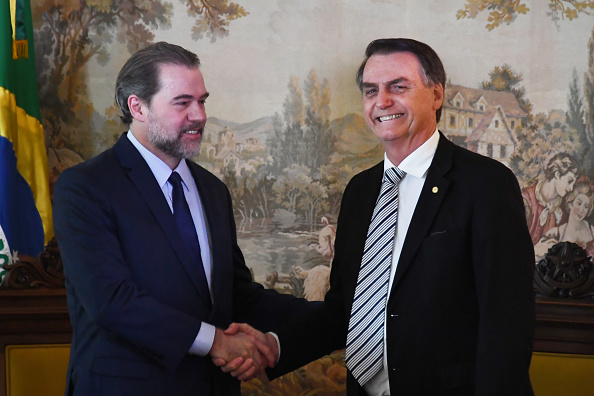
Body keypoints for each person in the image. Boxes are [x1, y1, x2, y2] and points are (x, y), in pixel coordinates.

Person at [223, 38, 536, 395]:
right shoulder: (360, 190)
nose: (382, 102)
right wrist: (275, 346)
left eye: (398, 87)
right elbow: (346, 311)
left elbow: (507, 324)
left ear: (436, 95)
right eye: (371, 91)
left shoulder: (486, 184)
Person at [53, 42, 313, 396]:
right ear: (138, 107)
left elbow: (234, 294)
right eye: (183, 102)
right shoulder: (86, 187)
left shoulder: (212, 190)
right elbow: (111, 301)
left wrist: (326, 314)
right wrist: (216, 342)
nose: (200, 115)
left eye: (202, 100)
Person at [522, 152, 579, 244]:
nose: (571, 188)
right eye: (569, 181)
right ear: (557, 174)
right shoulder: (527, 200)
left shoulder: (564, 208)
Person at [535, 178, 594, 260]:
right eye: (579, 203)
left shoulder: (592, 232)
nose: (581, 210)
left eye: (586, 206)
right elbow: (536, 258)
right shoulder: (555, 234)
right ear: (570, 204)